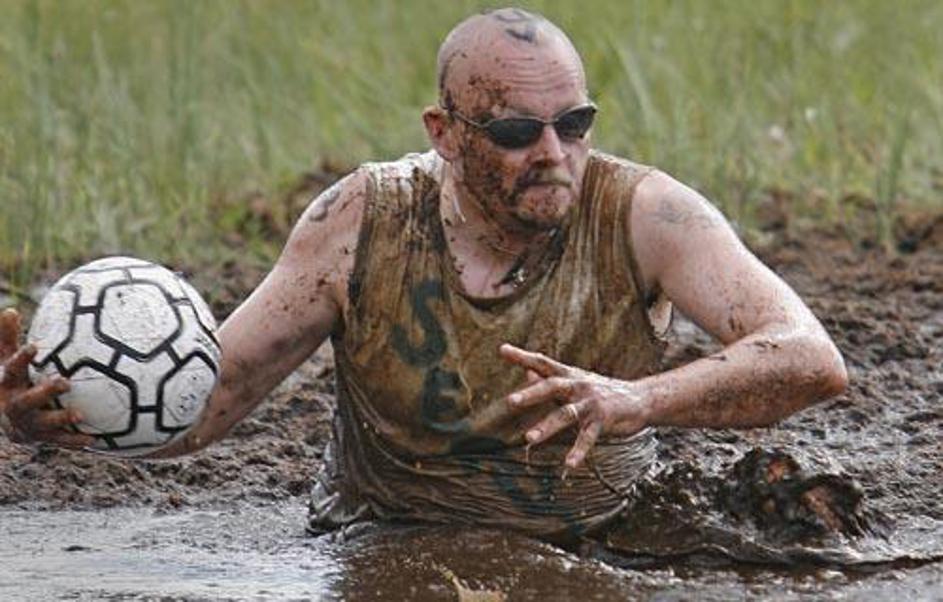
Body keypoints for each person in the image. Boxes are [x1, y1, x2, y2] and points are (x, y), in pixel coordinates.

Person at [0, 8, 847, 542]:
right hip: (378, 537)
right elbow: (204, 405)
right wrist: (69, 420)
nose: (553, 154)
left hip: (601, 541)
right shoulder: (358, 221)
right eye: (515, 131)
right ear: (444, 133)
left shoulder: (645, 215)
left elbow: (809, 357)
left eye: (573, 123)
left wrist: (636, 401)